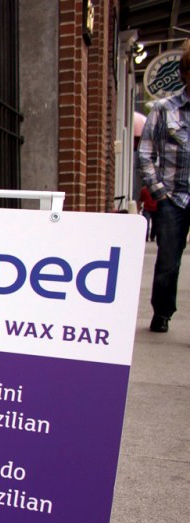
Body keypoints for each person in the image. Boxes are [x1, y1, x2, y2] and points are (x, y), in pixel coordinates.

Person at [137, 42, 190, 333]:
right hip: (174, 198)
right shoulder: (164, 109)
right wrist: (160, 193)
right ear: (185, 73)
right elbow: (145, 154)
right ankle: (162, 312)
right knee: (168, 262)